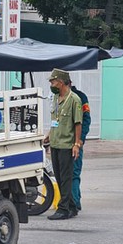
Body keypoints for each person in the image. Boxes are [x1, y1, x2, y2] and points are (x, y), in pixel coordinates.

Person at [43, 68, 82, 220]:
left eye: (53, 81)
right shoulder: (55, 98)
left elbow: (77, 123)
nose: (51, 84)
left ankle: (63, 209)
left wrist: (76, 144)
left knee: (66, 178)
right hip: (55, 143)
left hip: (67, 144)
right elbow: (55, 121)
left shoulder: (74, 100)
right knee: (59, 176)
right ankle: (71, 206)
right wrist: (48, 136)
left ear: (60, 82)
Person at [70, 82, 91, 213]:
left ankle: (75, 202)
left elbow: (86, 120)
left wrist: (80, 140)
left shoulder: (80, 97)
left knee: (74, 173)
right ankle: (73, 200)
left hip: (75, 142)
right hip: (62, 142)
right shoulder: (58, 98)